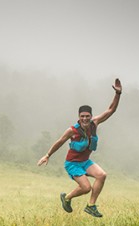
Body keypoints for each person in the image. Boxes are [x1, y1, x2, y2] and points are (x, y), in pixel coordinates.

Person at [37, 78, 122, 217]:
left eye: (87, 116)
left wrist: (118, 94)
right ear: (78, 117)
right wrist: (47, 155)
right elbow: (59, 142)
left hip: (85, 162)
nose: (85, 119)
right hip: (72, 164)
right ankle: (66, 198)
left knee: (102, 175)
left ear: (91, 116)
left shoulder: (95, 123)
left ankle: (91, 206)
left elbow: (111, 110)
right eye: (82, 116)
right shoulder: (72, 130)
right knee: (86, 188)